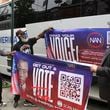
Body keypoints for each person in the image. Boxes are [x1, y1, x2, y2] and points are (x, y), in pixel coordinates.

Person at [13, 27, 53, 108]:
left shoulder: (30, 41)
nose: (24, 34)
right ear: (19, 36)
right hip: (21, 68)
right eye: (22, 34)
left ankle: (28, 100)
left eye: (24, 33)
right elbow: (13, 56)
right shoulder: (16, 46)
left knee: (29, 84)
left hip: (31, 67)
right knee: (20, 84)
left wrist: (45, 30)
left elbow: (38, 36)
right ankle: (16, 100)